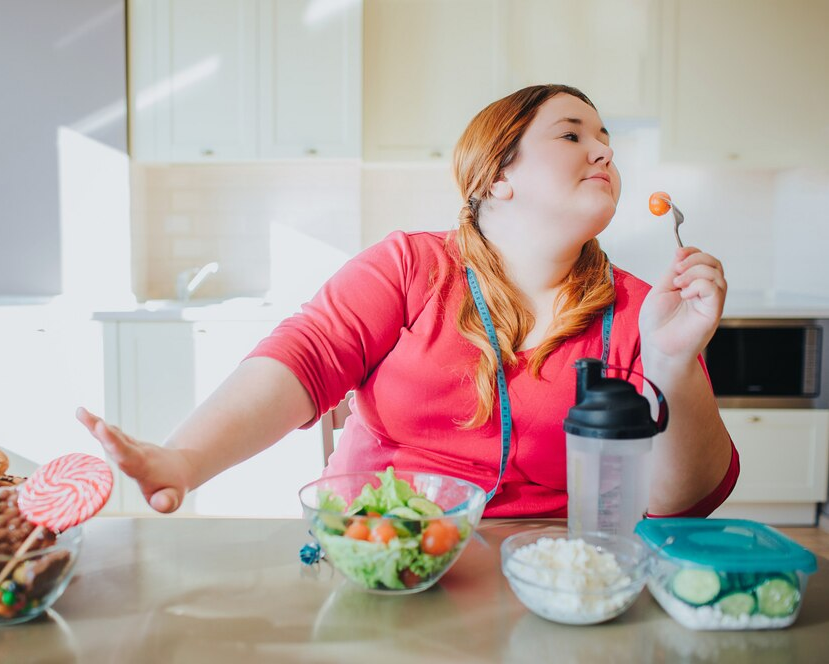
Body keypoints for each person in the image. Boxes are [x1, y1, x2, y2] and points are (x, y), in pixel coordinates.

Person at [77, 84, 738, 519]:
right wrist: (184, 461)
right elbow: (302, 360)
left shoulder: (642, 312)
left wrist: (674, 366)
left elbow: (683, 502)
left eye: (607, 146)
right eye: (573, 135)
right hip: (380, 553)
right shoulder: (409, 266)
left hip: (542, 576)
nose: (603, 151)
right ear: (498, 175)